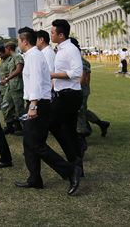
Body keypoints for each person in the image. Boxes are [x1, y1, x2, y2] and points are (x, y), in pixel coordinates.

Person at [14, 27, 81, 195]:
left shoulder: (34, 56)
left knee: (35, 144)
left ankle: (70, 170)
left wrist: (33, 105)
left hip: (39, 104)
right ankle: (35, 178)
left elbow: (36, 82)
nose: (18, 44)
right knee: (29, 143)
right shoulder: (31, 55)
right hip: (36, 102)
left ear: (24, 41)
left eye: (18, 41)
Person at [49, 19, 83, 170]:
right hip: (63, 93)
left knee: (53, 124)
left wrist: (53, 75)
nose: (51, 34)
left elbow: (77, 73)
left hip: (69, 95)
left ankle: (73, 161)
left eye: (53, 32)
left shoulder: (70, 49)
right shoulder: (60, 49)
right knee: (68, 129)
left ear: (61, 35)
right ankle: (77, 163)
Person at [72, 38, 109, 157]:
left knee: (79, 113)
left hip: (80, 91)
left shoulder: (80, 61)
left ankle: (82, 139)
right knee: (83, 111)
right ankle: (101, 123)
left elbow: (83, 79)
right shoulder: (75, 59)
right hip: (78, 90)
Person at [1, 42, 24, 135]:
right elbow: (13, 71)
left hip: (17, 86)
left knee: (19, 108)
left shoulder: (17, 56)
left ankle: (25, 128)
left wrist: (7, 78)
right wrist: (8, 76)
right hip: (11, 86)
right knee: (5, 105)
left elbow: (19, 70)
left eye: (5, 48)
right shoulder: (11, 59)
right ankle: (10, 125)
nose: (4, 50)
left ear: (8, 48)